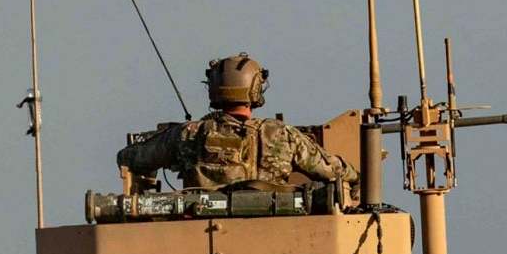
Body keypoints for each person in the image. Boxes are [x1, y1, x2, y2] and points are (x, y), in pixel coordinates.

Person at [116, 53, 357, 195]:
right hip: (273, 229)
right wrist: (356, 176)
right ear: (255, 89)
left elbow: (130, 158)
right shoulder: (281, 135)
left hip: (199, 230)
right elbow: (329, 169)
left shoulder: (186, 135)